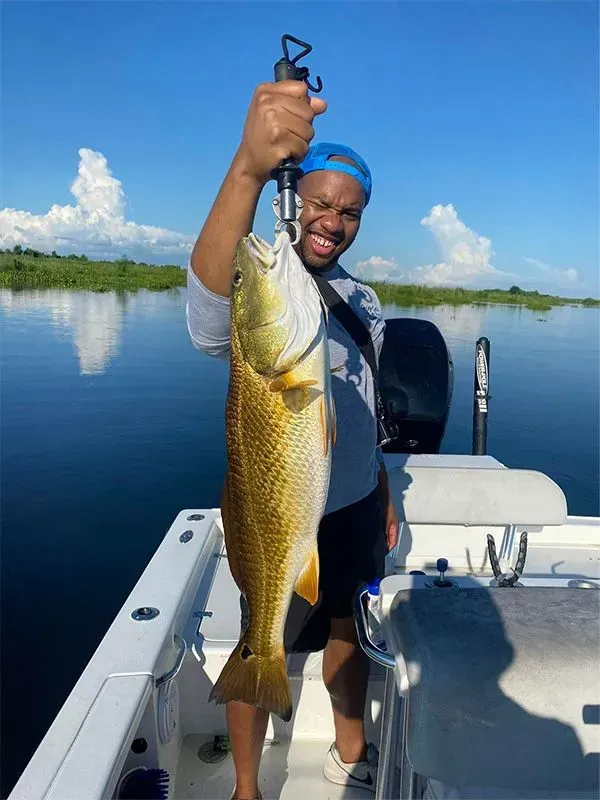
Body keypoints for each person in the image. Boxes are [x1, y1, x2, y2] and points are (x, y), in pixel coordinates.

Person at [186, 79, 399, 800]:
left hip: (354, 508)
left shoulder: (362, 299)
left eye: (349, 211)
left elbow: (366, 409)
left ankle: (350, 748)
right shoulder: (267, 281)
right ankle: (247, 786)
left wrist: (385, 487)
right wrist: (250, 168)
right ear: (293, 199)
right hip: (276, 510)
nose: (331, 221)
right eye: (317, 201)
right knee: (261, 631)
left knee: (349, 627)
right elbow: (213, 315)